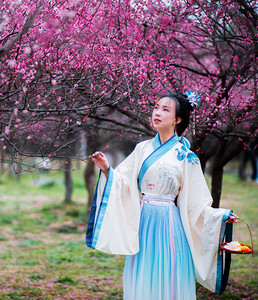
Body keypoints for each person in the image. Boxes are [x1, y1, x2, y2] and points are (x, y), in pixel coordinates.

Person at [86, 93, 238, 299]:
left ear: (178, 119)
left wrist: (220, 216)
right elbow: (123, 181)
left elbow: (197, 202)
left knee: (169, 272)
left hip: (169, 223)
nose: (157, 113)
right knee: (143, 273)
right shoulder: (143, 148)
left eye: (166, 109)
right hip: (143, 221)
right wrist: (106, 169)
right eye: (156, 107)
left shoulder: (186, 156)